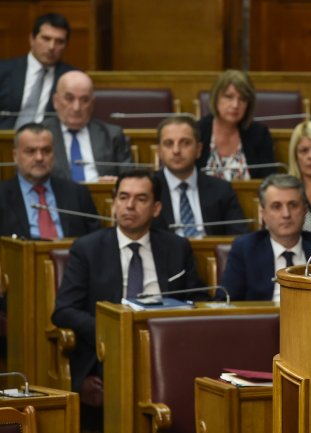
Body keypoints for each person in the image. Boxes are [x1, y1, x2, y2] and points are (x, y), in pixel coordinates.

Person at [51, 170, 203, 430]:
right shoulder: (87, 248)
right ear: (114, 203)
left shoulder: (177, 247)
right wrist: (112, 332)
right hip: (106, 356)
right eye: (123, 197)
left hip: (167, 349)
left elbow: (198, 299)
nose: (130, 205)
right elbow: (63, 310)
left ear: (156, 208)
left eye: (140, 199)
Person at [222, 174, 311, 301]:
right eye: (276, 206)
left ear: (305, 210)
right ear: (263, 214)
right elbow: (226, 302)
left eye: (293, 205)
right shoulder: (245, 249)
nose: (286, 214)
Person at [0, 122, 100, 238]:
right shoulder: (3, 195)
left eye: (46, 151)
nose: (39, 158)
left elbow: (96, 240)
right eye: (30, 151)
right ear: (15, 156)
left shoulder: (77, 193)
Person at [153, 115, 247, 236]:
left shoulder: (221, 190)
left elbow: (238, 236)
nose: (176, 150)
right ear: (159, 151)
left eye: (185, 143)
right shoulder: (148, 189)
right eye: (169, 143)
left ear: (198, 149)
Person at [42, 70, 132, 181]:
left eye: (84, 100)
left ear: (92, 103)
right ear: (55, 101)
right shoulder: (40, 135)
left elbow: (129, 178)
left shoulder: (112, 135)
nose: (76, 108)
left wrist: (115, 182)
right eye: (69, 99)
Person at [196, 70, 276, 180]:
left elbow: (269, 179)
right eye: (229, 97)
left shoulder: (260, 134)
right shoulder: (198, 131)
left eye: (242, 99)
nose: (235, 105)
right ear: (216, 98)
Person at [0, 13, 75, 129]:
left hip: (49, 138)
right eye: (46, 39)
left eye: (59, 42)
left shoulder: (71, 77)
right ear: (32, 39)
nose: (51, 47)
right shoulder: (4, 70)